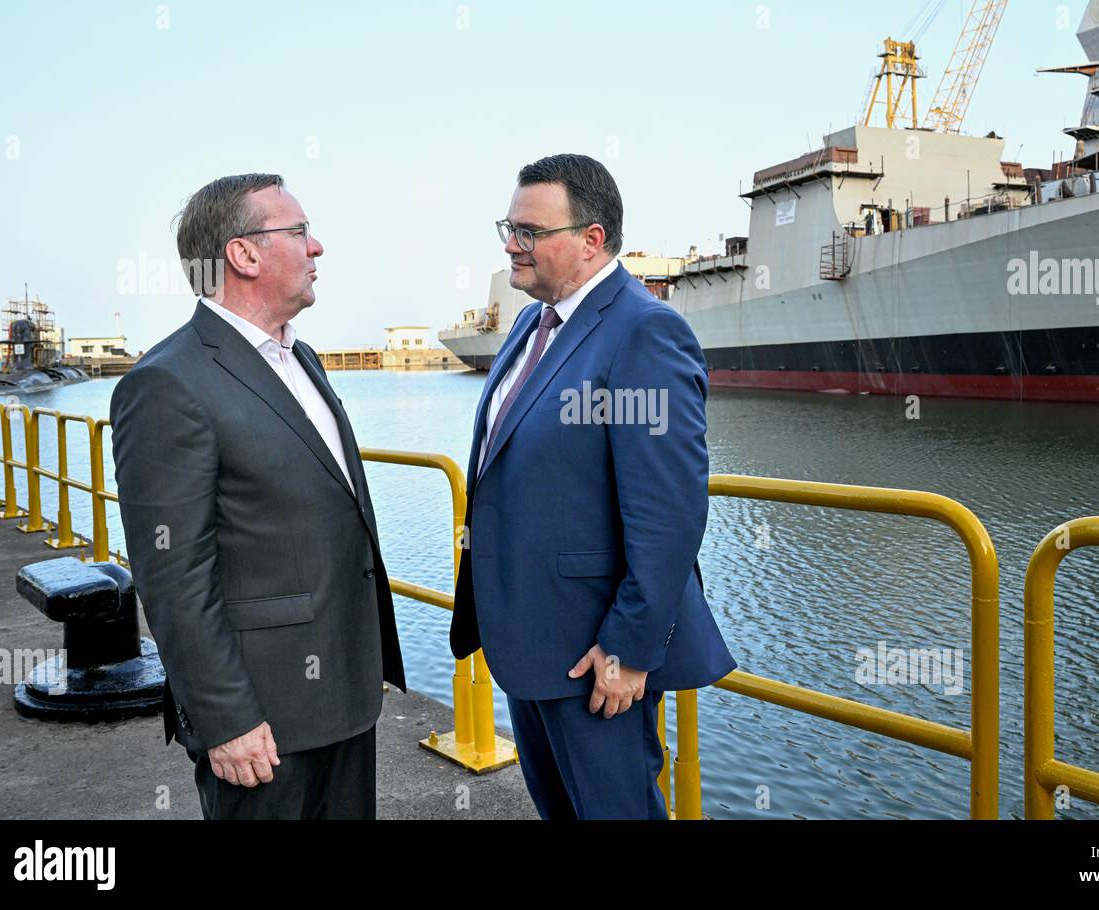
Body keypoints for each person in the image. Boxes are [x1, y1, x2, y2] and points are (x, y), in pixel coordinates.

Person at [450, 154, 736, 819]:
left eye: (528, 231)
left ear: (592, 239)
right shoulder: (531, 323)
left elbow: (668, 512)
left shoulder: (644, 332)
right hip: (528, 640)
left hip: (595, 654)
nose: (510, 244)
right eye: (508, 226)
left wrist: (630, 648)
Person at [110, 174, 404, 819]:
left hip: (346, 695)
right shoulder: (167, 384)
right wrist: (225, 718)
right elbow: (173, 574)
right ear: (243, 255)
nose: (317, 247)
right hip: (263, 720)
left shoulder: (303, 361)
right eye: (299, 232)